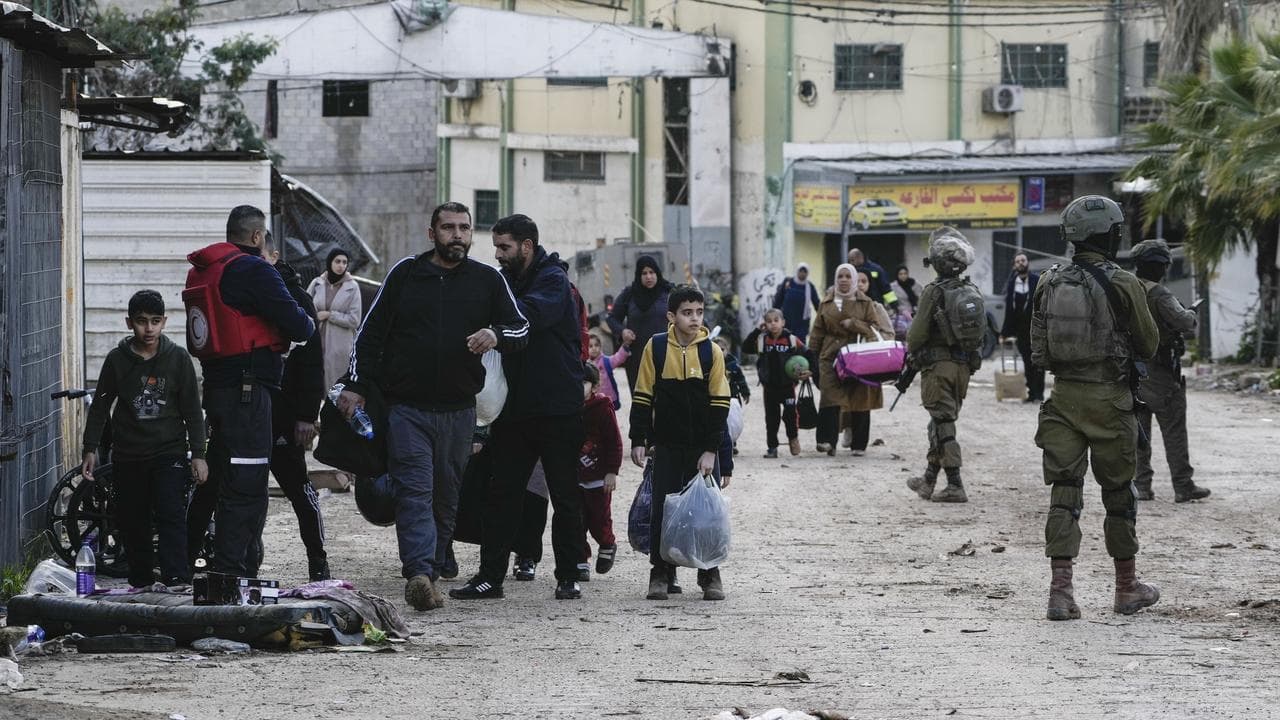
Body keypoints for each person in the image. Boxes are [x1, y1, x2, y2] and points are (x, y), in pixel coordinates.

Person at [337, 201, 530, 611]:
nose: (457, 235)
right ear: (432, 234)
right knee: (414, 490)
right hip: (408, 408)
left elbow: (521, 327)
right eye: (448, 228)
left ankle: (436, 562)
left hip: (461, 411)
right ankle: (419, 573)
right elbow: (369, 336)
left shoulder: (487, 280)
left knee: (446, 495)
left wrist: (495, 334)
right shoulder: (406, 275)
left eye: (464, 228)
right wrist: (354, 385)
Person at [1031, 195, 1160, 621]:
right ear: (1109, 234)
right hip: (1110, 400)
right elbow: (1149, 343)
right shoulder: (1123, 282)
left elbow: (1037, 351)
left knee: (1064, 495)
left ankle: (1061, 593)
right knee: (1119, 495)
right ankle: (1126, 588)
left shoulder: (1047, 281)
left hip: (1063, 399)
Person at [450, 214, 588, 602]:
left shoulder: (553, 281)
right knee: (502, 494)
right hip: (514, 411)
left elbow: (530, 314)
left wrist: (496, 329)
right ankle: (490, 577)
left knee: (564, 494)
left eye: (504, 247)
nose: (498, 254)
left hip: (558, 409)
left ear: (527, 246)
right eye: (495, 247)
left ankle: (567, 575)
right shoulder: (503, 279)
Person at [187, 233, 331, 580]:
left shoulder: (290, 294)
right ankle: (200, 563)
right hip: (249, 405)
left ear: (273, 255)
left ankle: (318, 562)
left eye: (261, 256)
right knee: (231, 488)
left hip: (282, 415)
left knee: (297, 491)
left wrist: (306, 416)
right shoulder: (238, 280)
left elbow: (312, 359)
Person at [81, 290, 206, 588]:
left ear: (164, 322)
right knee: (132, 521)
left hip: (169, 452)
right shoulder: (116, 361)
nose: (148, 329)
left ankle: (176, 579)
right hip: (129, 454)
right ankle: (140, 581)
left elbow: (192, 409)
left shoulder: (177, 359)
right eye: (140, 322)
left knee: (171, 516)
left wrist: (199, 453)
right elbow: (100, 405)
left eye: (154, 321)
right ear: (129, 323)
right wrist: (90, 448)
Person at [629, 284, 731, 601]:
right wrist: (638, 437)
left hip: (701, 449)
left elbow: (720, 405)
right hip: (668, 446)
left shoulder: (711, 352)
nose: (695, 319)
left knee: (705, 513)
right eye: (687, 313)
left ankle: (709, 573)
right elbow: (643, 395)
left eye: (699, 312)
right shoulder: (656, 348)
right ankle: (661, 571)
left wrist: (712, 451)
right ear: (671, 316)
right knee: (664, 509)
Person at [904, 227, 985, 504]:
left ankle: (955, 484)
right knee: (939, 423)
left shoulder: (933, 292)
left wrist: (913, 352)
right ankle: (928, 479)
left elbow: (915, 338)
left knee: (943, 424)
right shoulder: (970, 288)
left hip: (938, 369)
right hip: (962, 369)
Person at [1130, 239, 1210, 503]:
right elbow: (1184, 321)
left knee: (1139, 434)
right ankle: (1183, 485)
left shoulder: (1127, 290)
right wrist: (1190, 313)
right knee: (1174, 430)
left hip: (1132, 373)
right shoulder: (1159, 294)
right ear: (1163, 267)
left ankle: (1141, 486)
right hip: (1162, 373)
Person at [808, 265, 893, 457]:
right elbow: (818, 331)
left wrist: (854, 324)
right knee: (829, 397)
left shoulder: (865, 302)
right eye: (840, 276)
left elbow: (875, 329)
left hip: (857, 357)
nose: (844, 280)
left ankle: (858, 444)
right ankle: (827, 441)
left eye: (848, 276)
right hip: (830, 356)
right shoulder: (827, 302)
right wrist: (811, 355)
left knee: (859, 398)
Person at [743, 308, 809, 458]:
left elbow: (807, 353)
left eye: (776, 320)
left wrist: (808, 371)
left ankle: (793, 438)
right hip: (770, 388)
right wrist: (756, 331)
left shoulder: (791, 339)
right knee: (771, 419)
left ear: (782, 322)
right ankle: (772, 447)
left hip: (788, 386)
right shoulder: (762, 340)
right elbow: (746, 348)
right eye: (769, 321)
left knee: (791, 415)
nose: (773, 324)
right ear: (764, 324)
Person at [578, 362, 622, 580]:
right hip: (574, 476)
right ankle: (580, 560)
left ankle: (607, 544)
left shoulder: (602, 408)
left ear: (594, 386)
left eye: (584, 382)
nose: (578, 386)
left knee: (599, 518)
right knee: (576, 520)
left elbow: (614, 441)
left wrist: (612, 471)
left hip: (599, 476)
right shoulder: (565, 407)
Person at [607, 256, 674, 391]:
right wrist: (622, 331)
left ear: (657, 273)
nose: (648, 277)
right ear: (639, 275)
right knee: (641, 398)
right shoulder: (630, 294)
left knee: (665, 398)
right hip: (638, 356)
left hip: (667, 353)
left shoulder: (669, 292)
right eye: (644, 273)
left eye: (652, 272)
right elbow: (612, 318)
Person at [307, 248, 363, 391]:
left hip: (339, 347)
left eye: (345, 262)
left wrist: (329, 315)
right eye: (337, 261)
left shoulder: (352, 287)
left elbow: (355, 320)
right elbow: (305, 308)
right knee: (312, 388)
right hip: (316, 342)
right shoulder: (317, 283)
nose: (341, 265)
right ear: (330, 262)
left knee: (335, 390)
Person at [999, 252, 1045, 403]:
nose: (1021, 263)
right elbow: (1009, 311)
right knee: (1027, 362)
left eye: (1023, 260)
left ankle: (1039, 394)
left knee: (1038, 362)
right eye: (1018, 261)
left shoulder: (1036, 281)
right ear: (1014, 265)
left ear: (1027, 263)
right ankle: (1032, 393)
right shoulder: (1012, 284)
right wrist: (1004, 333)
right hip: (1021, 331)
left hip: (1037, 330)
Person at [772, 263, 821, 342]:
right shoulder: (788, 282)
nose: (802, 273)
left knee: (799, 344)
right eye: (800, 271)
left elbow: (817, 303)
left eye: (805, 271)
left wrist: (823, 316)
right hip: (786, 320)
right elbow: (779, 299)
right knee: (784, 341)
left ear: (807, 273)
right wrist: (773, 315)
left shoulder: (809, 286)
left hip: (801, 323)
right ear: (797, 271)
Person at [588, 332, 631, 410]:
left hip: (609, 399)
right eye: (590, 346)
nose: (594, 348)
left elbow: (618, 358)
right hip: (593, 400)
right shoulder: (586, 365)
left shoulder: (606, 361)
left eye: (596, 345)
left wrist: (625, 346)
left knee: (609, 419)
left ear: (600, 347)